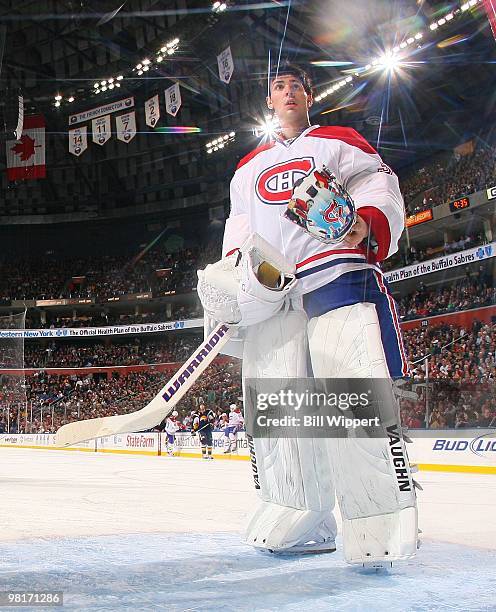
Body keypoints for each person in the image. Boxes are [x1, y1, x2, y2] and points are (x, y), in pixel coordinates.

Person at [201, 62, 417, 565]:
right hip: (275, 289)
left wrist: (366, 221)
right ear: (269, 101)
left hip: (333, 270)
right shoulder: (246, 168)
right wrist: (236, 280)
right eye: (279, 86)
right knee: (276, 400)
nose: (288, 92)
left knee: (349, 383)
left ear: (309, 96)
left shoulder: (339, 140)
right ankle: (297, 508)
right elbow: (239, 233)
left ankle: (377, 511)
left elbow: (377, 183)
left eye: (296, 85)